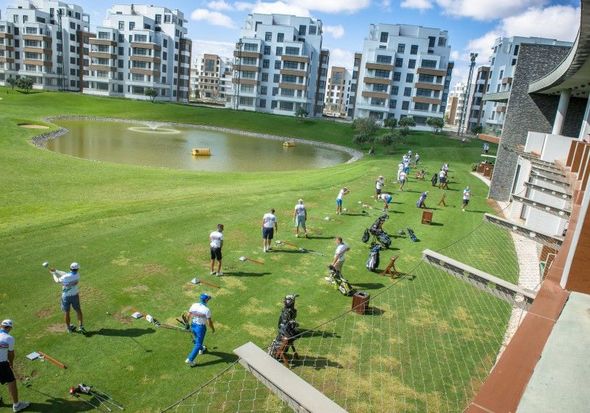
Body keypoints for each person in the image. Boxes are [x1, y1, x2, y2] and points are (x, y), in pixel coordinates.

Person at [1, 320, 30, 412]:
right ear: (9, 328)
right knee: (11, 381)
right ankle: (17, 405)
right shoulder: (9, 338)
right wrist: (11, 363)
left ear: (1, 326)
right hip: (2, 364)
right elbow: (11, 354)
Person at [48, 262, 85, 334]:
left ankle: (69, 328)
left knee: (66, 312)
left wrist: (54, 274)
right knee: (78, 310)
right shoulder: (77, 275)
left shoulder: (65, 277)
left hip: (66, 297)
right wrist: (56, 270)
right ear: (77, 269)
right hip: (75, 295)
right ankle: (81, 326)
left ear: (70, 268)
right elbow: (65, 273)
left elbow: (57, 281)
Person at [185, 293, 215, 367]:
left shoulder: (194, 305)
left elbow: (188, 315)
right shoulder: (207, 310)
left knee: (198, 341)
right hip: (200, 328)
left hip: (193, 325)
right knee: (198, 344)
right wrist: (213, 329)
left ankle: (202, 349)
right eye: (208, 298)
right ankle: (190, 359)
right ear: (206, 300)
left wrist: (187, 324)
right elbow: (209, 322)